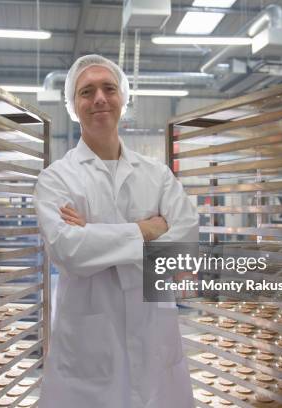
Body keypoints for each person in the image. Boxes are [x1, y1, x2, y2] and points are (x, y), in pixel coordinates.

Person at [34, 54, 197, 408]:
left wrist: (95, 235)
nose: (99, 99)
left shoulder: (157, 175)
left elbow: (184, 250)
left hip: (155, 334)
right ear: (73, 105)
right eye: (86, 91)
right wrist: (146, 229)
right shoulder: (56, 179)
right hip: (89, 349)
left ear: (123, 98)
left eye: (109, 88)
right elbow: (69, 252)